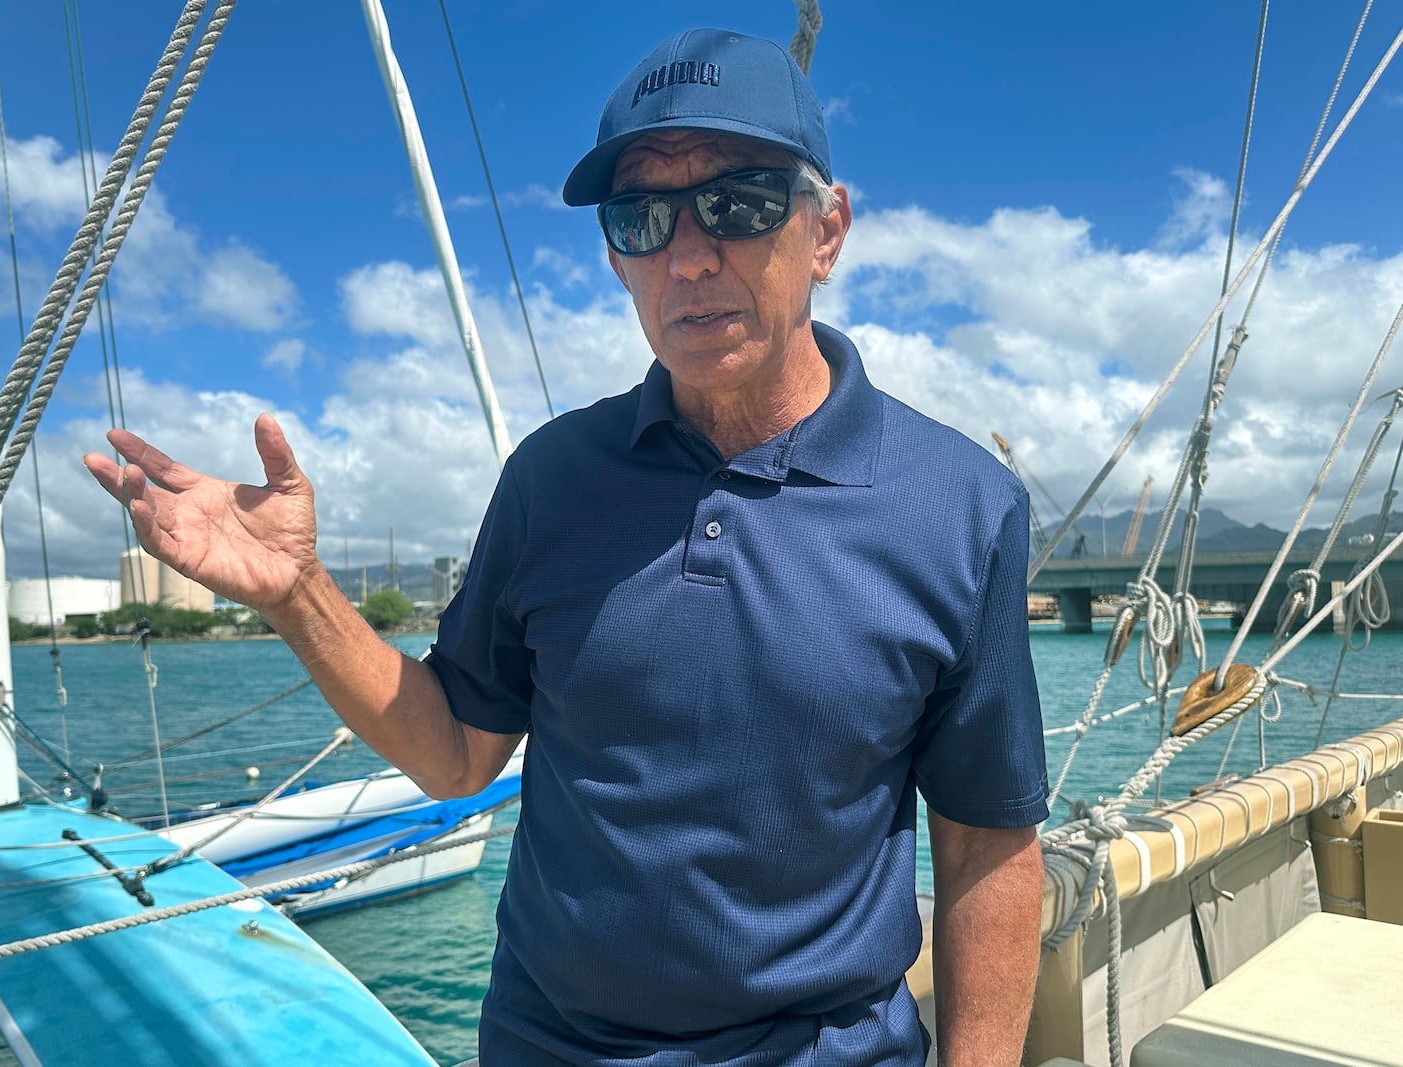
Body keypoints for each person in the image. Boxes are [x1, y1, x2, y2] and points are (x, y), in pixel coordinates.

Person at [86, 27, 1048, 1067]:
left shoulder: (958, 504)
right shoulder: (550, 480)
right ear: (614, 257)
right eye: (641, 217)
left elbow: (986, 838)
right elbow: (455, 751)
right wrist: (297, 592)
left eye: (738, 204)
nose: (688, 254)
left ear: (826, 231)